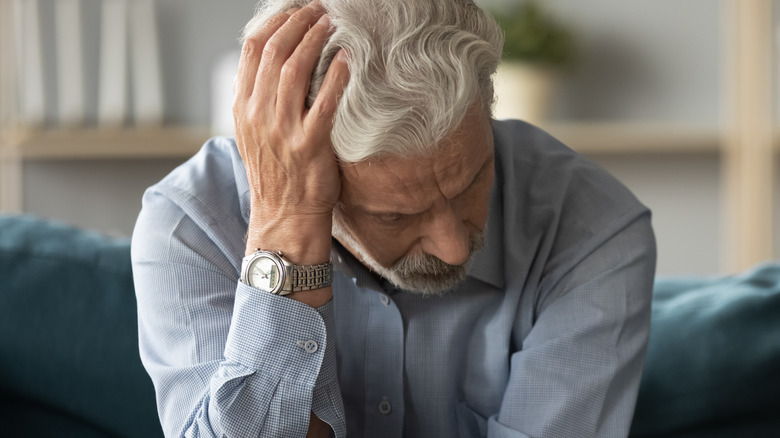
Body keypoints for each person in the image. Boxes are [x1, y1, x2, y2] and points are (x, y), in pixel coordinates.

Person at [131, 0, 656, 436]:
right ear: (312, 171)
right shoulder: (190, 226)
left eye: (473, 179)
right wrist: (286, 228)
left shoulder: (593, 226)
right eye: (393, 216)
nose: (453, 247)